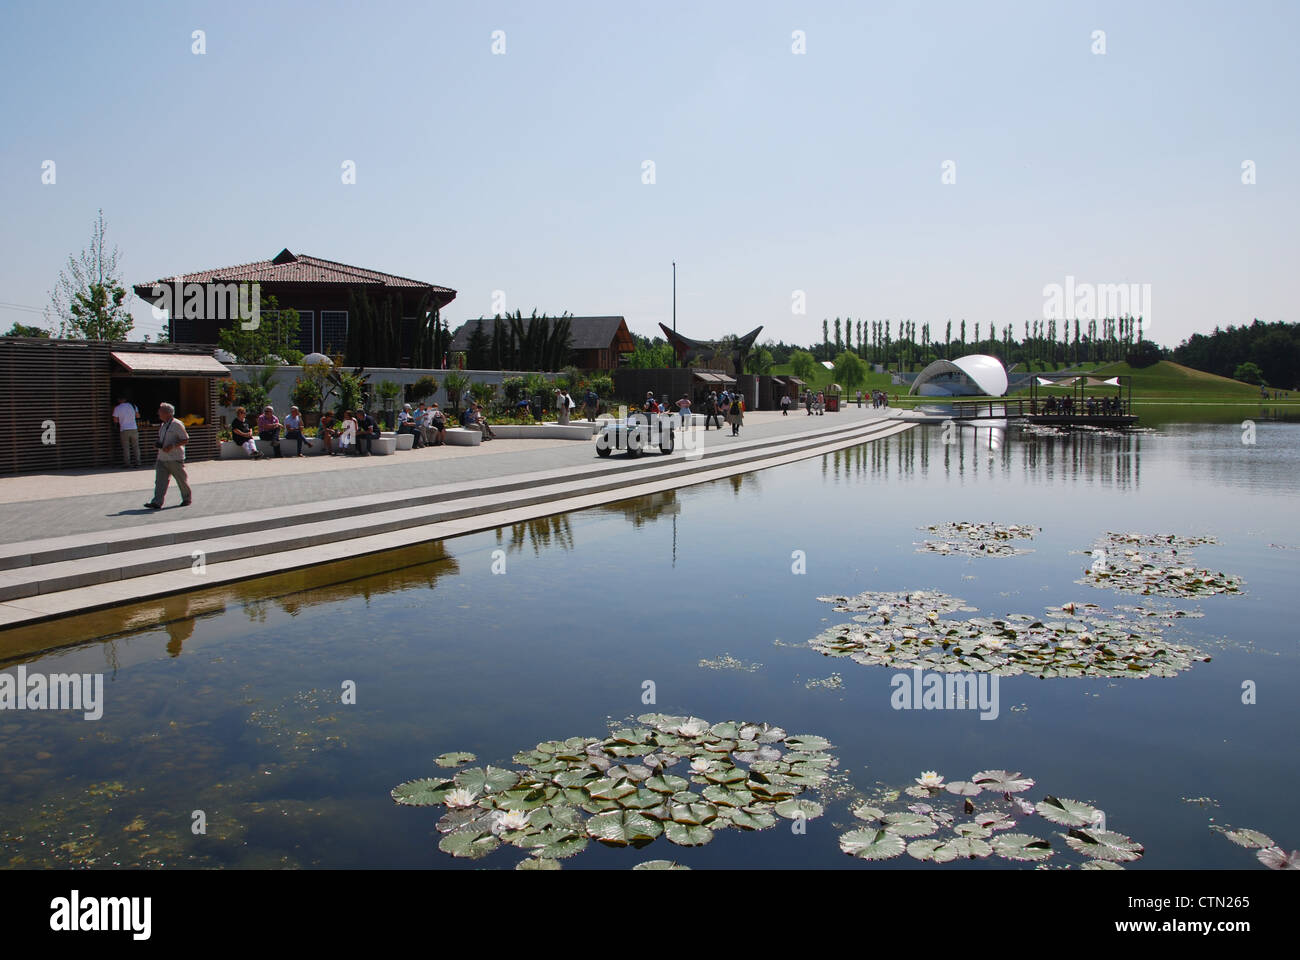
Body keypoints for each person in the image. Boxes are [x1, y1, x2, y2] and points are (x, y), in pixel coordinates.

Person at [143, 402, 191, 509]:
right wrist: (157, 444)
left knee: (181, 480)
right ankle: (157, 502)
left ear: (167, 413)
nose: (158, 413)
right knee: (160, 481)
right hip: (162, 457)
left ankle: (187, 498)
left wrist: (172, 446)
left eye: (160, 411)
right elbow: (162, 439)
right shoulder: (163, 425)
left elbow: (185, 439)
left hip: (175, 458)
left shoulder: (177, 424)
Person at [112, 396, 141, 468]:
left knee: (126, 447)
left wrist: (121, 420)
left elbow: (115, 420)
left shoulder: (117, 408)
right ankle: (138, 463)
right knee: (136, 446)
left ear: (119, 400)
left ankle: (127, 464)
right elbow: (138, 416)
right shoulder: (133, 406)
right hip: (134, 428)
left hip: (124, 429)